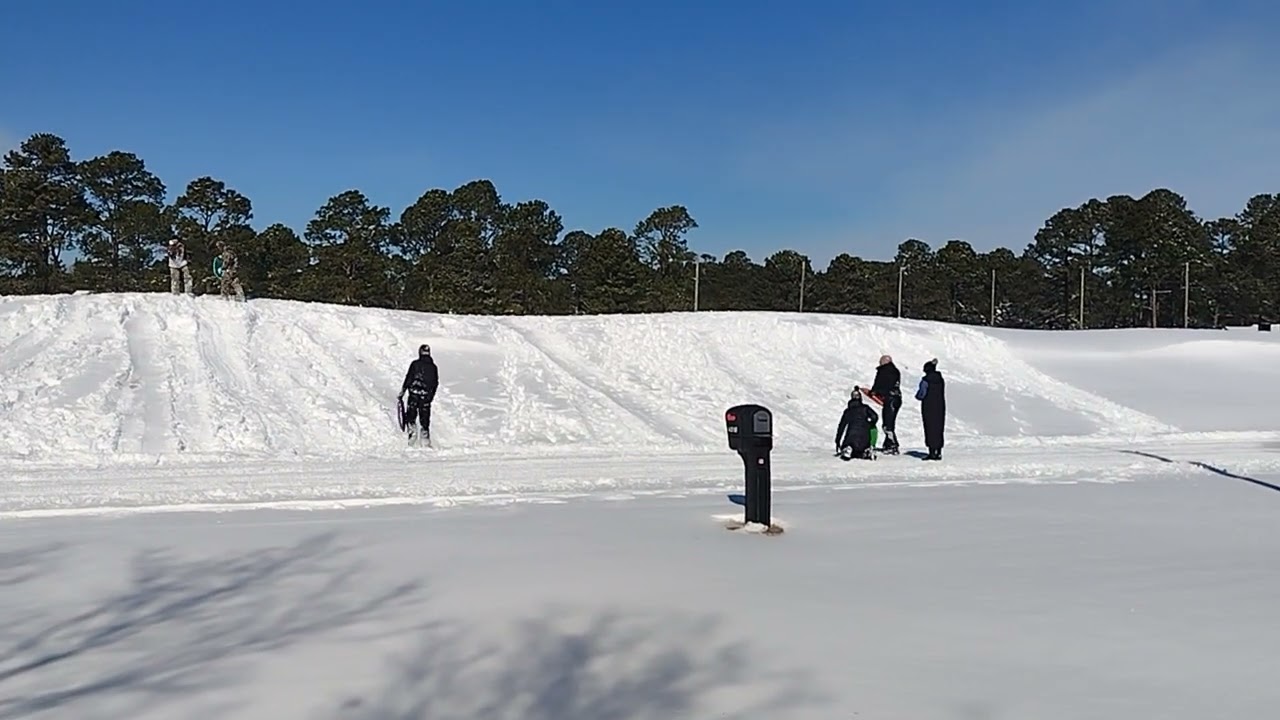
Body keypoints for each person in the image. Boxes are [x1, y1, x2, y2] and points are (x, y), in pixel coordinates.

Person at [399, 343, 439, 446]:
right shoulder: (433, 367)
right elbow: (435, 383)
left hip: (414, 394)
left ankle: (412, 432)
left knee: (411, 415)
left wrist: (403, 391)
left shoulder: (415, 365)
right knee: (425, 418)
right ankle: (425, 437)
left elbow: (409, 378)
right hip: (426, 396)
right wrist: (431, 396)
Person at [869, 353, 902, 454]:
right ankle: (888, 444)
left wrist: (874, 391)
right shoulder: (896, 371)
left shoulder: (884, 371)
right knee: (890, 423)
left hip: (890, 399)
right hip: (897, 398)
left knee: (887, 425)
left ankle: (892, 445)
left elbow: (880, 383)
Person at [835, 387, 879, 460]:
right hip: (865, 438)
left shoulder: (848, 411)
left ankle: (848, 449)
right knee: (862, 449)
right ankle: (867, 450)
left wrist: (838, 440)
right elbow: (875, 417)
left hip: (851, 438)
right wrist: (869, 423)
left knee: (849, 445)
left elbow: (841, 426)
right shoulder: (866, 408)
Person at [914, 358, 946, 460]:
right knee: (939, 428)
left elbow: (921, 394)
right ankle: (939, 452)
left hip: (928, 406)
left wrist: (917, 396)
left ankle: (932, 452)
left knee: (930, 428)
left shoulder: (925, 380)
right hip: (940, 406)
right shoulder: (940, 379)